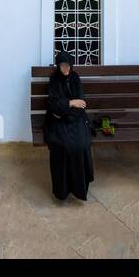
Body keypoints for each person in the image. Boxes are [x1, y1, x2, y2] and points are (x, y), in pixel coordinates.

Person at [43, 48, 94, 201]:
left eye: (67, 65)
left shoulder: (75, 78)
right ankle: (62, 191)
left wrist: (65, 109)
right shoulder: (54, 80)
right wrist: (70, 103)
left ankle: (79, 189)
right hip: (57, 121)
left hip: (74, 119)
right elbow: (52, 105)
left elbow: (82, 103)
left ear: (71, 65)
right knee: (62, 145)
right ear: (58, 66)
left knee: (81, 144)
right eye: (62, 65)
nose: (65, 68)